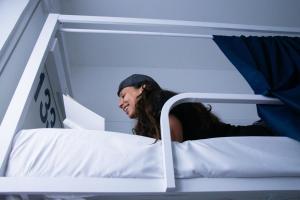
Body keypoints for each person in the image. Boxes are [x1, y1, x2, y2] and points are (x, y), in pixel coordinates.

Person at [118, 74, 276, 142]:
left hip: (253, 135)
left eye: (123, 95)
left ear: (142, 88)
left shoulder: (159, 100)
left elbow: (172, 141)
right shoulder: (153, 114)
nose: (120, 103)